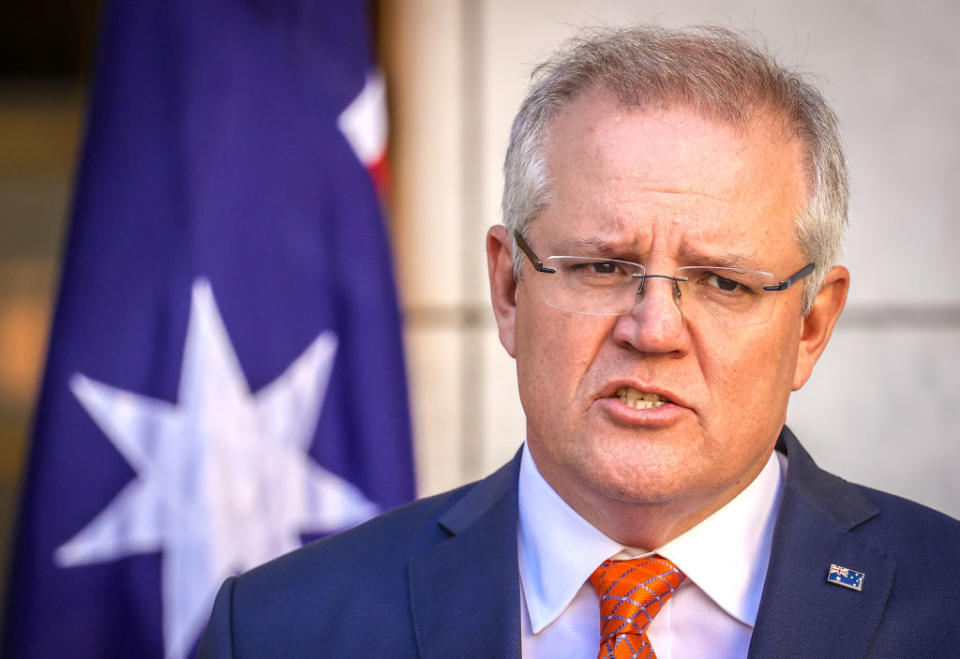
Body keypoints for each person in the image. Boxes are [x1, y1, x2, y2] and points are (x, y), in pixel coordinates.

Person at [199, 25, 960, 658]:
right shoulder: (277, 629)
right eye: (603, 264)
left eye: (724, 282)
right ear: (508, 289)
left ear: (811, 325)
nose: (654, 328)